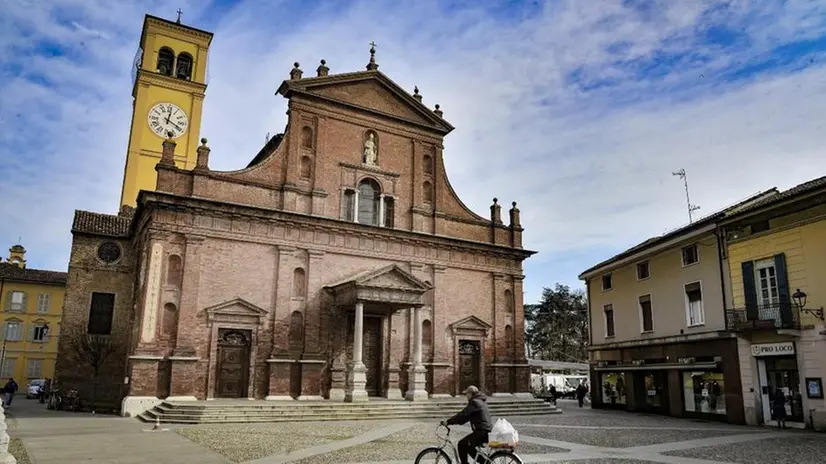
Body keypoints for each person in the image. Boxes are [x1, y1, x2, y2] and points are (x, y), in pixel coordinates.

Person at [442, 386, 492, 464]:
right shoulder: (480, 401)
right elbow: (465, 418)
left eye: (467, 394)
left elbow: (463, 415)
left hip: (482, 431)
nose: (466, 396)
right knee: (468, 446)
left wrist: (448, 422)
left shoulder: (475, 402)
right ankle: (484, 461)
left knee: (462, 444)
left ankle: (484, 462)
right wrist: (454, 421)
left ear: (471, 394)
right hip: (484, 430)